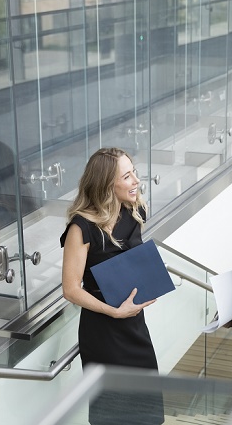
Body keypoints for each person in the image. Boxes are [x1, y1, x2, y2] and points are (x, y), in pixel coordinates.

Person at [60, 147, 164, 425]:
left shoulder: (134, 210)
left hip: (134, 325)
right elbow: (70, 289)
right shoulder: (80, 228)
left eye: (134, 174)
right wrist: (114, 312)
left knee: (148, 412)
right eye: (127, 176)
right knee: (114, 416)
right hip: (104, 330)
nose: (136, 182)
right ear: (108, 184)